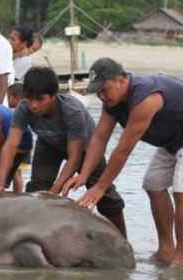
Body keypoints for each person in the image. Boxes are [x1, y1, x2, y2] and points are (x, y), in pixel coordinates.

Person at [62, 58, 183, 266]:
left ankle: (181, 256)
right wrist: (83, 176)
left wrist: (101, 187)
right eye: (97, 91)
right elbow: (100, 137)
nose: (101, 96)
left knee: (181, 193)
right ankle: (166, 249)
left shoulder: (146, 97)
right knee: (153, 185)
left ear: (120, 80)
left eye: (104, 89)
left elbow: (124, 149)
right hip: (172, 141)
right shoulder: (112, 103)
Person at [0, 67, 127, 236]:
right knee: (36, 189)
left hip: (85, 150)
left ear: (53, 95)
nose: (34, 105)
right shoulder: (24, 108)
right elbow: (10, 146)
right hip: (49, 145)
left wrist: (55, 191)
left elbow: (74, 158)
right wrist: (0, 184)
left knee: (107, 197)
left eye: (40, 99)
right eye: (29, 99)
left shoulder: (72, 111)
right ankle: (37, 235)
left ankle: (122, 238)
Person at [6, 82, 30, 192]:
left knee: (16, 172)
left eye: (8, 97)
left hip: (18, 147)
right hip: (24, 147)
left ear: (13, 97)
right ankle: (19, 192)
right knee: (18, 173)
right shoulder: (26, 111)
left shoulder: (15, 113)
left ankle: (18, 193)